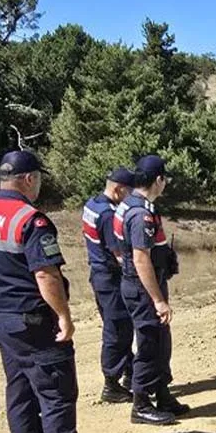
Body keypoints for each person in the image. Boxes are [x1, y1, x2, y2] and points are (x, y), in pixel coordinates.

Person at [0, 150, 108, 433]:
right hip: (32, 318)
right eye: (40, 178)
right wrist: (63, 315)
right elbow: (45, 275)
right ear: (28, 179)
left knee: (20, 388)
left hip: (1, 317)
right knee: (55, 386)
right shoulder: (31, 220)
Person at [115, 154, 188, 425]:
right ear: (159, 180)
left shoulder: (132, 205)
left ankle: (162, 393)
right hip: (143, 288)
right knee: (149, 344)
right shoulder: (139, 213)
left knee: (160, 341)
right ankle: (141, 404)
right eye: (165, 178)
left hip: (143, 284)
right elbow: (140, 257)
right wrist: (157, 299)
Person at [82, 168, 137, 402]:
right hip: (110, 277)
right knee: (117, 330)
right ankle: (111, 384)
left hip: (99, 275)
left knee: (119, 327)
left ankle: (129, 372)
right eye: (129, 191)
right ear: (118, 189)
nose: (131, 196)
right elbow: (118, 254)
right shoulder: (107, 214)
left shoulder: (92, 204)